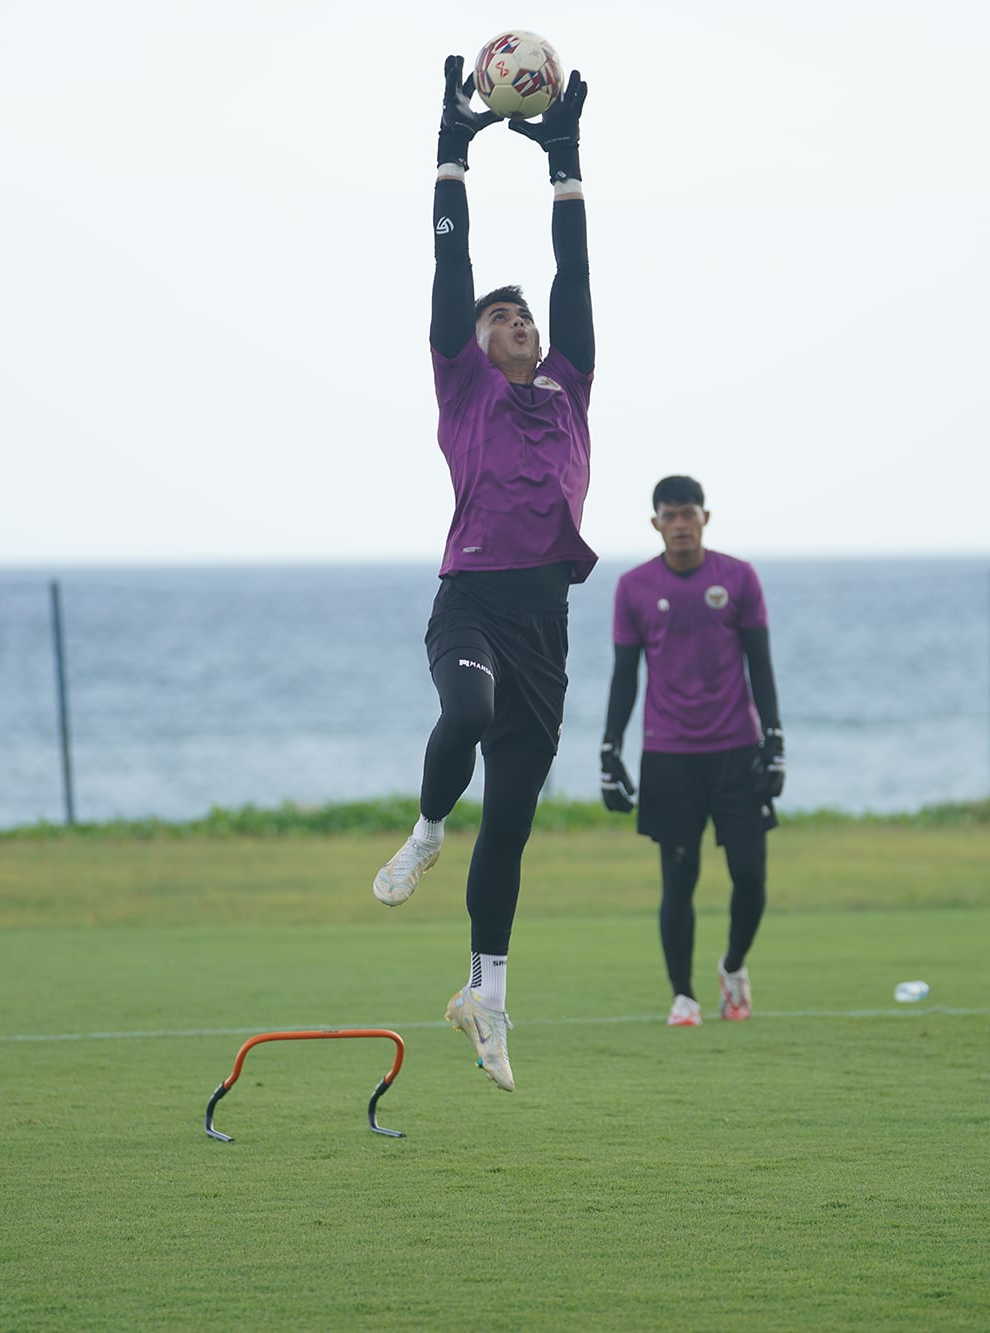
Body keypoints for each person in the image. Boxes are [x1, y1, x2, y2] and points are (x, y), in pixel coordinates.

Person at [369, 56, 595, 1093]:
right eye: (505, 318)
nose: (522, 324)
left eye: (526, 320)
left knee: (508, 825)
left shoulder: (566, 386)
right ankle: (422, 831)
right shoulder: (460, 383)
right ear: (472, 342)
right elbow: (449, 268)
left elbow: (574, 277)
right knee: (463, 710)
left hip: (544, 620)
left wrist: (565, 164)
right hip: (468, 601)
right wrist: (451, 153)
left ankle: (485, 998)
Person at [601, 476, 784, 1026]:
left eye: (689, 514)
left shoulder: (739, 578)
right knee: (678, 879)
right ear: (656, 523)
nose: (680, 524)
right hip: (669, 755)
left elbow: (761, 663)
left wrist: (774, 741)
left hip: (736, 751)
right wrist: (611, 751)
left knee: (750, 875)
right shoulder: (633, 586)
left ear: (706, 517)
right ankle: (683, 996)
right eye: (669, 516)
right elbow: (624, 677)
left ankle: (733, 968)